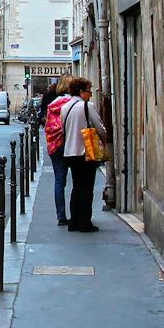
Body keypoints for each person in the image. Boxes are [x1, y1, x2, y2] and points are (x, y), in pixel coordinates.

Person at [59, 76, 107, 232]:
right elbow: (100, 127)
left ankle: (74, 221)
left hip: (69, 152)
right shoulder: (87, 106)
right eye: (89, 91)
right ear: (81, 92)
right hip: (86, 151)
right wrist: (104, 137)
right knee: (87, 187)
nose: (90, 94)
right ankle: (85, 222)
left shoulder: (64, 108)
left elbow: (62, 128)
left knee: (76, 187)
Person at [42, 77, 74, 225]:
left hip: (56, 146)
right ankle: (76, 215)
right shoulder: (73, 103)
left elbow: (47, 126)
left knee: (59, 182)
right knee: (78, 182)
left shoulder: (53, 104)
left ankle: (61, 216)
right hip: (71, 145)